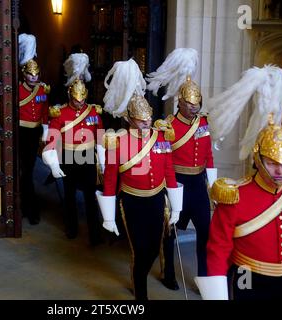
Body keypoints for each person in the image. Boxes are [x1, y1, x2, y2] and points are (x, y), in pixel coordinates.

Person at [195, 65, 282, 300]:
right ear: (258, 159)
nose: (280, 170)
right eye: (272, 163)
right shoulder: (235, 195)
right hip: (248, 276)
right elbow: (217, 250)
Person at [96, 59, 183, 300]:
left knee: (155, 248)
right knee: (139, 249)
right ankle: (140, 295)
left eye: (148, 119)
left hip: (157, 200)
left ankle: (138, 275)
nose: (146, 124)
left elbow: (169, 173)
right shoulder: (117, 142)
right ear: (130, 119)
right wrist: (108, 215)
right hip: (132, 203)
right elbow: (111, 181)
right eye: (141, 120)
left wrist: (176, 206)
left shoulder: (162, 137)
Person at [146, 48, 217, 290]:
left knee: (206, 234)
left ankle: (205, 278)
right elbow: (161, 159)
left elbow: (208, 154)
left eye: (198, 103)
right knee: (169, 233)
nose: (194, 108)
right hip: (176, 184)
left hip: (198, 186)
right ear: (180, 101)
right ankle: (168, 274)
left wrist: (213, 185)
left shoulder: (204, 122)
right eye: (190, 104)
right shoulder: (168, 126)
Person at [42, 79, 105, 246]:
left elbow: (100, 139)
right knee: (69, 195)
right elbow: (51, 141)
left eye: (82, 99)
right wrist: (54, 165)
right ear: (70, 96)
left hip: (89, 156)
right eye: (76, 100)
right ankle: (71, 227)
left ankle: (95, 233)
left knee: (90, 197)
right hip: (68, 157)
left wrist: (104, 162)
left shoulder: (93, 112)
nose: (79, 103)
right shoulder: (59, 113)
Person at [17, 33, 50, 225]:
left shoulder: (42, 90)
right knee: (22, 171)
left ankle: (29, 209)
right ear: (24, 74)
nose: (34, 77)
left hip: (34, 134)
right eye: (30, 74)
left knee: (28, 171)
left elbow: (45, 113)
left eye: (36, 74)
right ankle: (25, 208)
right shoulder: (17, 89)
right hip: (20, 133)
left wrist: (45, 133)